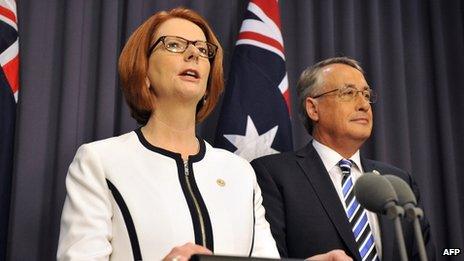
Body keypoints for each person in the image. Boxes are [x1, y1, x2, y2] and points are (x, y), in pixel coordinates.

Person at [57, 7, 350, 261]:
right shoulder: (100, 161)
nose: (193, 53)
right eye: (173, 45)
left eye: (203, 49)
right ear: (143, 70)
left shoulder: (239, 172)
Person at [251, 57, 436, 260]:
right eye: (348, 93)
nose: (364, 104)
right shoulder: (273, 175)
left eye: (366, 95)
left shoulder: (397, 182)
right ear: (313, 109)